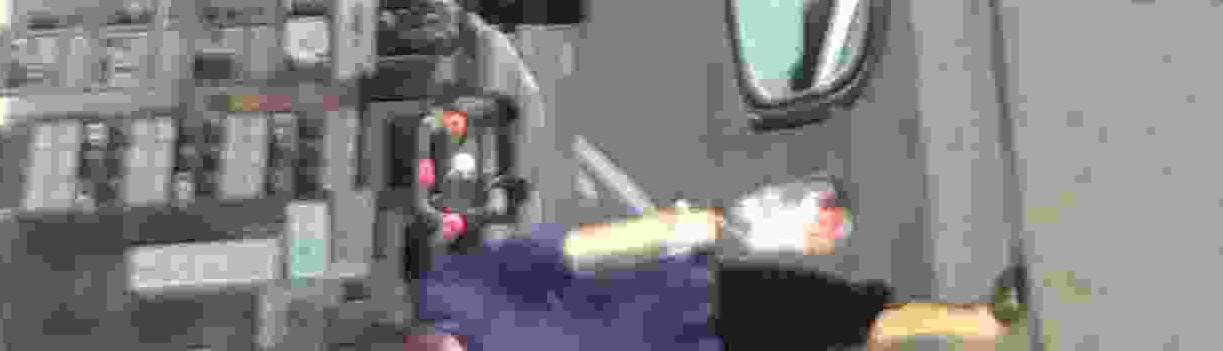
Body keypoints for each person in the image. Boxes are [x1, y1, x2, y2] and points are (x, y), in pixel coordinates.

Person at [404, 201, 1034, 351]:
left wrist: (672, 229)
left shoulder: (457, 290)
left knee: (843, 318)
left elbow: (574, 249)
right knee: (844, 326)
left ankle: (977, 325)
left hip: (694, 303)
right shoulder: (454, 292)